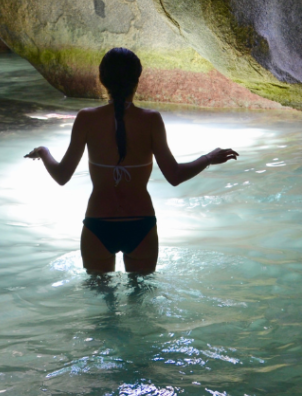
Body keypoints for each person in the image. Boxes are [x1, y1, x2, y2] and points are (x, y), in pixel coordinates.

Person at [26, 47, 239, 274]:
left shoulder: (86, 119)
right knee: (141, 293)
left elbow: (61, 176)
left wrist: (44, 151)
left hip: (99, 223)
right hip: (140, 224)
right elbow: (174, 176)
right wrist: (208, 158)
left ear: (102, 80)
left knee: (100, 295)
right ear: (137, 81)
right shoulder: (151, 120)